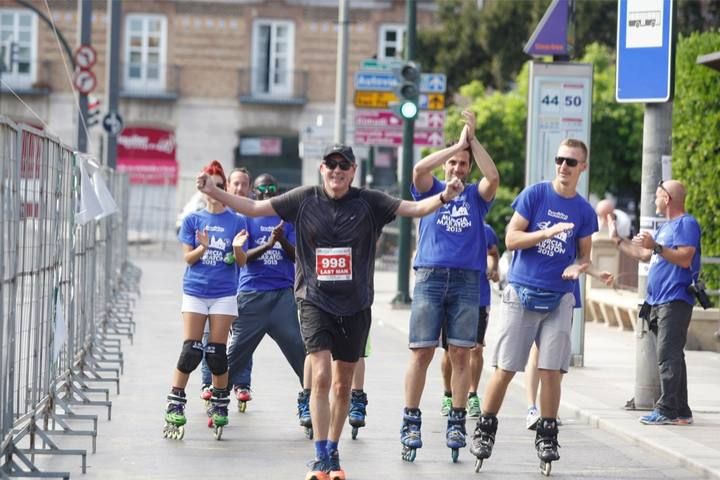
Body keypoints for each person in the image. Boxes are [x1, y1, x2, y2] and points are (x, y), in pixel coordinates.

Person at [196, 143, 463, 480]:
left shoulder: (370, 202)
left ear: (352, 171)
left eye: (343, 165)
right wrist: (214, 191)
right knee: (320, 375)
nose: (336, 171)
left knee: (342, 385)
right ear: (321, 169)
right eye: (330, 165)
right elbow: (252, 206)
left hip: (355, 305)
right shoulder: (303, 199)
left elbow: (413, 208)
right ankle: (321, 455)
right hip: (314, 299)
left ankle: (333, 451)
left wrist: (444, 197)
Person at [469, 139, 613, 472]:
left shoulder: (584, 211)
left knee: (552, 372)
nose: (564, 166)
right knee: (506, 369)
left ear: (582, 168)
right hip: (522, 292)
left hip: (560, 297)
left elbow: (585, 255)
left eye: (571, 162)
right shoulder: (535, 195)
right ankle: (485, 429)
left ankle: (547, 434)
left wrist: (581, 267)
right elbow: (511, 238)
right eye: (560, 159)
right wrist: (546, 234)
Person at [401, 110, 499, 462]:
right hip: (429, 276)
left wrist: (473, 141)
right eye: (453, 163)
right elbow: (418, 170)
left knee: (461, 354)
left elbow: (493, 175)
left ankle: (457, 420)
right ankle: (410, 420)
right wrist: (455, 145)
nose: (457, 168)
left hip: (466, 281)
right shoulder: (432, 189)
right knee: (421, 352)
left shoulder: (476, 196)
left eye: (462, 164)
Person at [164, 160, 248, 440]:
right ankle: (176, 401)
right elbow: (187, 258)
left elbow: (242, 261)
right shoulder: (193, 219)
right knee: (191, 350)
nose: (214, 191)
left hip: (224, 292)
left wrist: (236, 249)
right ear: (202, 190)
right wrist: (203, 247)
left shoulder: (236, 220)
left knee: (216, 353)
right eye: (209, 186)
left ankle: (219, 402)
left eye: (219, 186)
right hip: (196, 291)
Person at [609, 179, 701, 426]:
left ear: (668, 198)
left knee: (667, 355)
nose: (654, 200)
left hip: (675, 300)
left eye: (658, 195)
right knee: (673, 356)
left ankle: (667, 409)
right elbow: (643, 254)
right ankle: (681, 410)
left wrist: (657, 246)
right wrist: (617, 239)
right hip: (658, 301)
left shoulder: (687, 223)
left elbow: (684, 258)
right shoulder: (665, 228)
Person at [224, 173, 308, 418]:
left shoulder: (287, 221)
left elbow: (297, 258)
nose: (267, 193)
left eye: (272, 188)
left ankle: (309, 400)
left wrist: (282, 241)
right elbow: (242, 258)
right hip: (252, 294)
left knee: (299, 351)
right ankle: (219, 394)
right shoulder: (245, 220)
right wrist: (269, 244)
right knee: (235, 354)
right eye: (262, 189)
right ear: (254, 192)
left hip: (282, 295)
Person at [200, 167, 255, 403]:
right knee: (210, 338)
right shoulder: (215, 210)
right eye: (235, 184)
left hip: (244, 285)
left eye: (244, 184)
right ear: (227, 187)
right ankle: (207, 382)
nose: (240, 188)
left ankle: (241, 383)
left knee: (242, 337)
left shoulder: (250, 215)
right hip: (217, 287)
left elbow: (248, 252)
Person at [439, 223, 500, 419]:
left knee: (476, 348)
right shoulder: (447, 225)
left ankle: (472, 395)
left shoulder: (485, 230)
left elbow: (493, 252)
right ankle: (448, 394)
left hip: (479, 296)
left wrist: (493, 268)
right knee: (450, 350)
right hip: (451, 296)